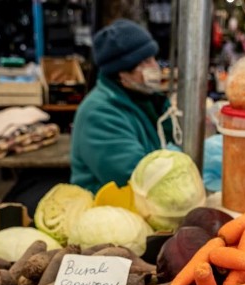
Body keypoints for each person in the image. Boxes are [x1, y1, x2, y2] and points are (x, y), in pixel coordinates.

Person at [70, 19, 174, 192]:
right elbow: (135, 177)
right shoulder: (99, 114)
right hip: (106, 211)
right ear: (122, 72)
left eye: (153, 59)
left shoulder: (145, 99)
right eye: (146, 62)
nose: (155, 67)